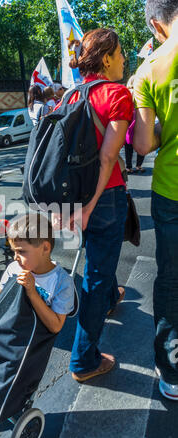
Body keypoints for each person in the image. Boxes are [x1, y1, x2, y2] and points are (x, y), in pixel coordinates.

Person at [59, 28, 133, 382]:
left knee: (98, 262)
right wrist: (90, 205)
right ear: (106, 58)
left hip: (73, 197)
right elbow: (108, 158)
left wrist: (78, 205)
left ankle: (111, 293)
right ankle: (83, 360)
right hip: (103, 198)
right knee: (94, 277)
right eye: (119, 54)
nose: (123, 60)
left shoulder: (70, 95)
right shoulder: (116, 93)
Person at [133, 0, 178, 400]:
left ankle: (172, 370)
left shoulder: (148, 68)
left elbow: (143, 143)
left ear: (154, 23)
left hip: (171, 188)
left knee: (171, 279)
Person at [0, 213, 75, 338]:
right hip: (10, 331)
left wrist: (33, 293)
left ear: (45, 248)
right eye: (14, 251)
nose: (15, 257)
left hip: (33, 341)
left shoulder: (62, 282)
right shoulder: (14, 269)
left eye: (21, 251)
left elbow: (56, 326)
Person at [124, 75, 146, 173]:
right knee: (141, 143)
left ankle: (128, 167)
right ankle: (138, 165)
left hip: (128, 122)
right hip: (139, 121)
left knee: (128, 147)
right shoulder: (141, 92)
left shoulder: (125, 92)